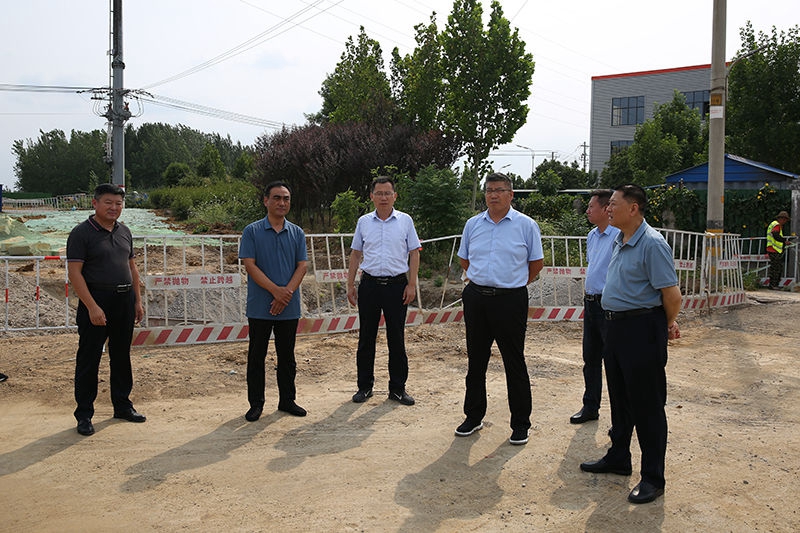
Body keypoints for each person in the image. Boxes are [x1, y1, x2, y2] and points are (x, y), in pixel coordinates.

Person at [579, 184, 682, 504]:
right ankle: (619, 457)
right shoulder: (619, 240)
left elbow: (672, 296)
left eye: (613, 204)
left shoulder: (652, 244)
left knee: (647, 404)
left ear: (633, 208)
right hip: (615, 327)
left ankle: (653, 477)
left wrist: (663, 324)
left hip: (642, 328)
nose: (608, 209)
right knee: (620, 398)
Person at [454, 173, 544, 445]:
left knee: (514, 361)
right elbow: (464, 259)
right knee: (476, 360)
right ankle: (473, 416)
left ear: (511, 194)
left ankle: (520, 423)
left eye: (499, 190)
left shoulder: (526, 225)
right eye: (489, 190)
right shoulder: (473, 224)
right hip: (477, 298)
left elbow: (536, 264)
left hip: (510, 300)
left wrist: (512, 283)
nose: (493, 195)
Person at [67, 183, 146, 436]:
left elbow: (132, 268)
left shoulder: (124, 231)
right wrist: (92, 306)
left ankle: (122, 405)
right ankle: (84, 414)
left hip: (124, 300)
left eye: (118, 203)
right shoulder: (81, 233)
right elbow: (75, 273)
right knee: (89, 358)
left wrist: (137, 301)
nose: (114, 208)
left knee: (121, 356)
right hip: (96, 299)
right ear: (95, 203)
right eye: (108, 202)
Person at [346, 176, 421, 406]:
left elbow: (414, 253)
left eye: (388, 193)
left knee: (396, 338)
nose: (383, 197)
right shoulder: (364, 222)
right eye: (379, 193)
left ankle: (397, 389)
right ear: (371, 196)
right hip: (369, 285)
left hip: (397, 286)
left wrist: (411, 284)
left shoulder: (405, 221)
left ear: (395, 196)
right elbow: (356, 254)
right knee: (366, 338)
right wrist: (350, 284)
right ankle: (364, 387)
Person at [239, 181, 309, 421]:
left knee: (287, 356)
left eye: (286, 198)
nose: (282, 202)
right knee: (256, 356)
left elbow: (302, 266)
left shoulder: (297, 233)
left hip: (289, 306)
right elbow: (250, 265)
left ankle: (287, 400)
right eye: (277, 198)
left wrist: (286, 293)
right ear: (266, 201)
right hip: (260, 305)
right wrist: (275, 291)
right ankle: (256, 403)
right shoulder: (252, 231)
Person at [570, 190, 620, 425]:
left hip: (609, 305)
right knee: (590, 359)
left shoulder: (619, 235)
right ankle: (590, 406)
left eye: (591, 207)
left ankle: (619, 416)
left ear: (605, 208)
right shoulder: (592, 236)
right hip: (590, 303)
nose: (588, 211)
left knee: (613, 362)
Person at [766, 211, 792, 290]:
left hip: (772, 248)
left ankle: (773, 284)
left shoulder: (773, 224)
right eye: (785, 220)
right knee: (776, 268)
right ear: (782, 219)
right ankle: (773, 285)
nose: (785, 222)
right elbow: (776, 235)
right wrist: (784, 241)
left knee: (775, 267)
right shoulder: (777, 225)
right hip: (774, 249)